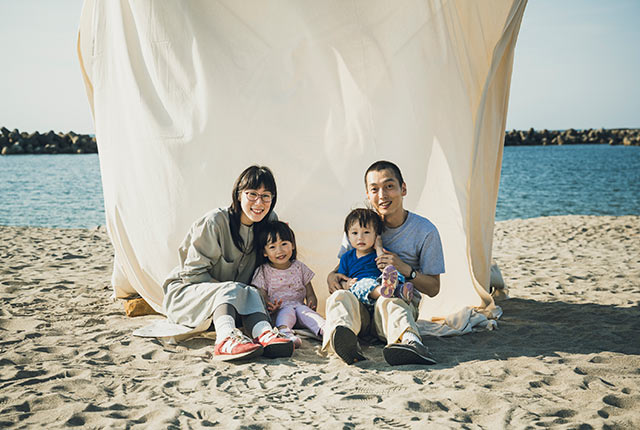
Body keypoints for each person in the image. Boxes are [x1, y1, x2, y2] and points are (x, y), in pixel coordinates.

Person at [162, 165, 293, 362]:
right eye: (252, 194)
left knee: (250, 291)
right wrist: (234, 289)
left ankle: (265, 333)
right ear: (239, 195)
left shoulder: (269, 222)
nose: (259, 202)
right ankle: (225, 339)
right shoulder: (215, 221)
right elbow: (193, 275)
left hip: (236, 301)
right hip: (189, 294)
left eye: (266, 195)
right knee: (236, 288)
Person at [324, 160, 445, 366]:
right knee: (340, 297)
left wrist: (406, 269)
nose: (382, 195)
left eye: (389, 186)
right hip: (361, 311)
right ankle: (344, 342)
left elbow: (434, 288)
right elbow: (341, 270)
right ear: (368, 194)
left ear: (403, 188)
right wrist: (332, 277)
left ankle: (410, 342)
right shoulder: (358, 226)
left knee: (390, 299)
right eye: (375, 189)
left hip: (393, 309)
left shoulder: (425, 231)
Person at [251, 221, 325, 348]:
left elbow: (310, 294)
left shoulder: (300, 267)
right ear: (264, 252)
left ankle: (326, 329)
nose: (280, 250)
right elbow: (262, 296)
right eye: (272, 247)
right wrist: (270, 306)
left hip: (299, 309)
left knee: (305, 311)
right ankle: (285, 333)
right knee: (287, 310)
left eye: (284, 244)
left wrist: (312, 303)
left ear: (293, 245)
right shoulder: (263, 271)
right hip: (279, 313)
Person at [338, 208, 414, 308]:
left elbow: (384, 266)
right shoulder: (346, 257)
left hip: (381, 286)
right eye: (355, 233)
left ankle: (398, 290)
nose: (360, 237)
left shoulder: (380, 253)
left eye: (366, 232)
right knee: (360, 284)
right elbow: (341, 278)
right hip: (361, 293)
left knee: (393, 269)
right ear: (348, 236)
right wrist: (346, 284)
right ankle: (385, 290)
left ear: (376, 235)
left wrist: (378, 247)